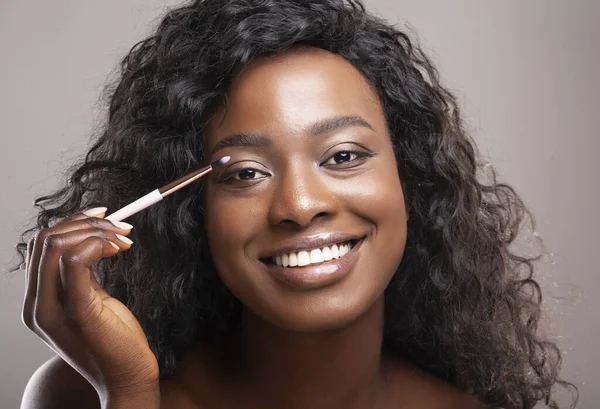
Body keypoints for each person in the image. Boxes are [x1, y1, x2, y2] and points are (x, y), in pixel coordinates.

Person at [12, 0, 578, 408]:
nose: (301, 206)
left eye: (344, 156)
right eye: (247, 172)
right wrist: (130, 393)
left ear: (411, 180)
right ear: (192, 214)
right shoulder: (81, 396)